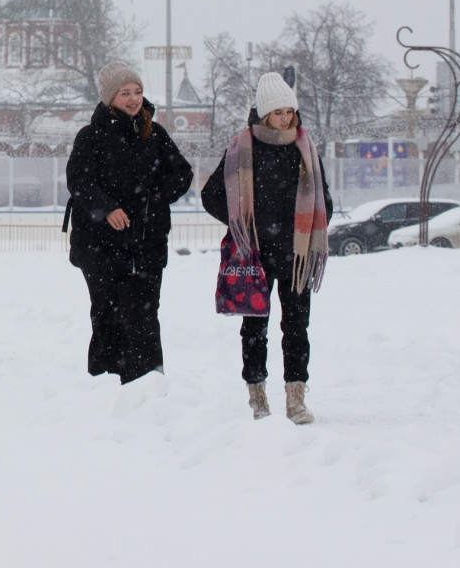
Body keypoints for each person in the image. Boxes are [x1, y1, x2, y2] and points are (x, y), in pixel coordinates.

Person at [202, 71, 332, 425]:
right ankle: (257, 397)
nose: (285, 118)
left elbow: (325, 200)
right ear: (263, 113)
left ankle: (296, 399)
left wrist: (309, 232)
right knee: (254, 329)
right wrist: (243, 227)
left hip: (297, 257)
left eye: (290, 111)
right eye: (278, 112)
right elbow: (211, 195)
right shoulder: (242, 146)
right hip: (255, 256)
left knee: (296, 327)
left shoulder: (305, 147)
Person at [64, 62, 194, 386]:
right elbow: (78, 181)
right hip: (100, 247)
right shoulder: (91, 136)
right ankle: (105, 386)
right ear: (111, 98)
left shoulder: (154, 134)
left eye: (137, 92)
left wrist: (160, 195)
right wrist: (106, 208)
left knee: (144, 318)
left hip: (146, 246)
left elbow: (182, 173)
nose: (134, 99)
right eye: (126, 93)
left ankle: (149, 386)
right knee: (107, 317)